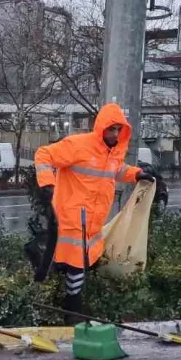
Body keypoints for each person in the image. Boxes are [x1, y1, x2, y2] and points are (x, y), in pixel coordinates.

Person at [34, 102, 156, 316]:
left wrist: (136, 174)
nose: (115, 133)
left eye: (118, 129)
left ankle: (65, 304)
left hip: (93, 221)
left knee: (77, 263)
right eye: (112, 128)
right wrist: (46, 183)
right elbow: (43, 154)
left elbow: (116, 170)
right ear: (101, 127)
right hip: (72, 216)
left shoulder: (112, 152)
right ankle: (71, 307)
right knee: (75, 264)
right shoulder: (78, 145)